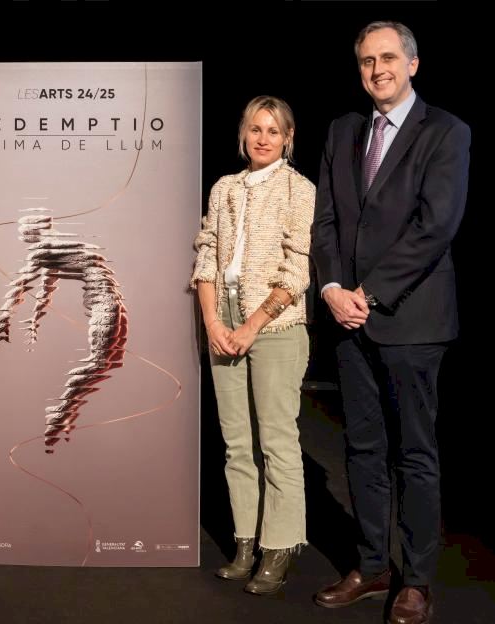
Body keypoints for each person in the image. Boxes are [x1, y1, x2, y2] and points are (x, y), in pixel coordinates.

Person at [312, 21, 470, 624]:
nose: (377, 70)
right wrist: (332, 289)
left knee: (415, 454)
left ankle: (418, 580)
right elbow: (325, 221)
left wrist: (369, 293)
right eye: (366, 61)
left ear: (412, 64)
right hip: (347, 319)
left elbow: (437, 226)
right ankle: (374, 565)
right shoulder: (342, 131)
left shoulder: (447, 132)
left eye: (387, 58)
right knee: (362, 448)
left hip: (412, 321)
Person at [190, 95, 315, 596]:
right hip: (224, 322)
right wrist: (212, 322)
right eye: (256, 129)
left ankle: (279, 545)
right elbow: (206, 256)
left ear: (288, 138)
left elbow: (297, 270)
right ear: (244, 133)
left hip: (277, 326)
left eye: (274, 131)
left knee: (276, 442)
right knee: (237, 443)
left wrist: (253, 326)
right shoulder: (224, 187)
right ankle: (245, 542)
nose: (263, 139)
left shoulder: (299, 189)